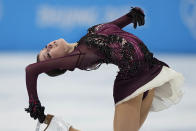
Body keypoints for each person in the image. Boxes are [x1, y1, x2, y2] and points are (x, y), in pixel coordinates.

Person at [25, 7, 184, 131]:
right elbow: (31, 70)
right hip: (133, 82)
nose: (48, 47)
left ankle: (61, 128)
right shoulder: (77, 57)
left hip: (150, 70)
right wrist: (34, 102)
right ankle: (63, 128)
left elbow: (112, 28)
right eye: (48, 54)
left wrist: (131, 16)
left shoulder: (86, 38)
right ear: (59, 63)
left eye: (45, 48)